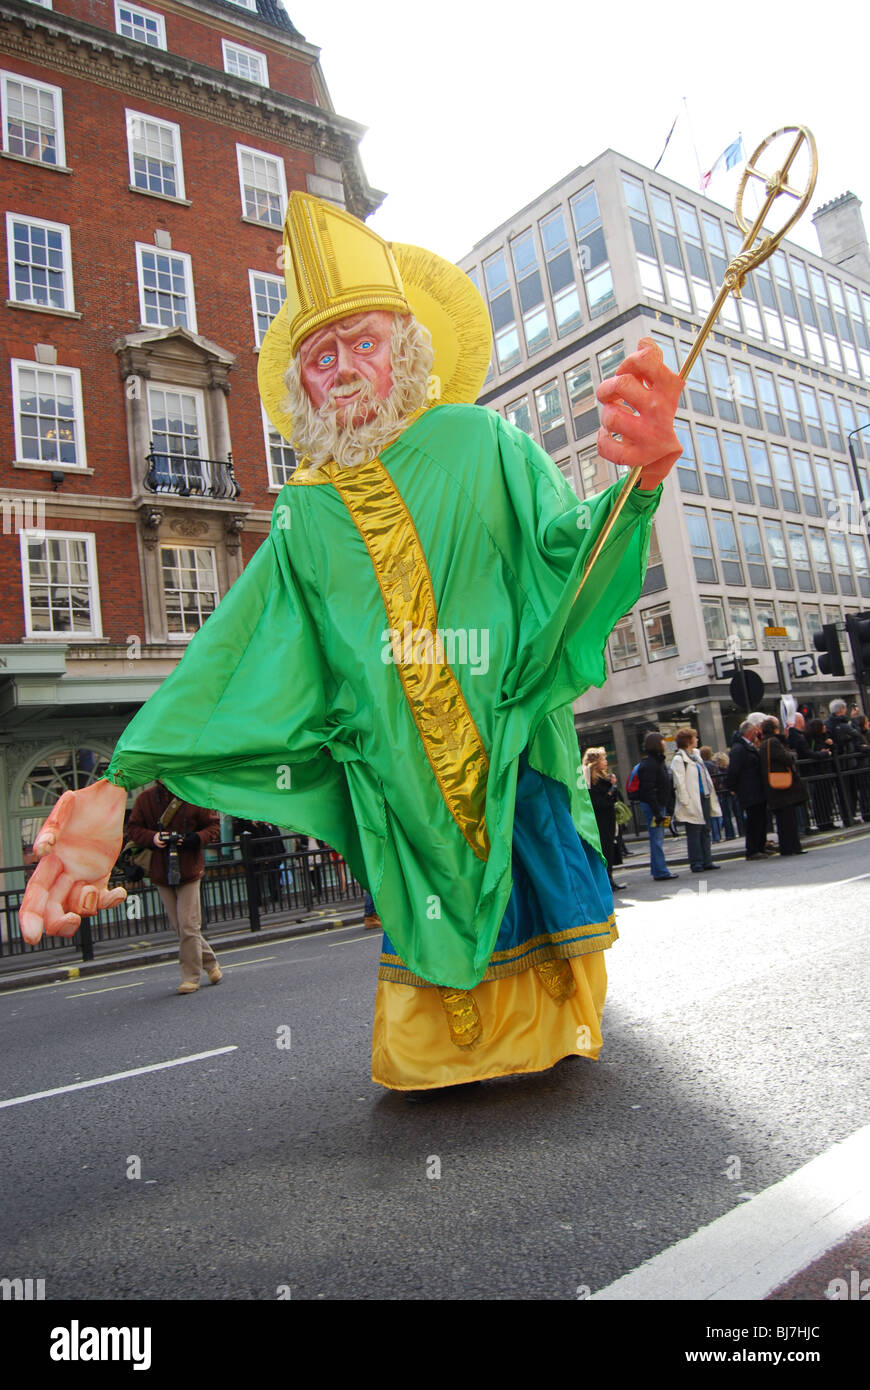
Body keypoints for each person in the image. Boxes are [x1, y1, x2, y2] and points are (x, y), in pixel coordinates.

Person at [18, 191, 684, 1092]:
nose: (341, 368)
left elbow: (565, 552)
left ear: (406, 349)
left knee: (523, 875)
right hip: (393, 779)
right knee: (425, 920)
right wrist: (123, 778)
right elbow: (233, 649)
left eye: (362, 343)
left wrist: (636, 486)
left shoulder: (477, 437)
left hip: (505, 748)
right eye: (320, 354)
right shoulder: (306, 510)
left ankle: (543, 1029)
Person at [127, 781, 221, 993]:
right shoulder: (145, 799)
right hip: (161, 871)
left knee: (188, 924)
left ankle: (190, 977)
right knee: (179, 926)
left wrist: (195, 839)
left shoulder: (194, 794)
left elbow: (213, 826)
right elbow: (133, 829)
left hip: (188, 869)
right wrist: (153, 837)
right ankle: (211, 964)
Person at [670, 729, 721, 873]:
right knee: (694, 832)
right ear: (688, 741)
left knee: (705, 830)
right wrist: (685, 801)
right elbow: (679, 783)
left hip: (703, 797)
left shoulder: (696, 755)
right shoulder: (679, 759)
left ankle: (707, 860)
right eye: (695, 737)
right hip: (691, 800)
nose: (697, 739)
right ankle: (696, 862)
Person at [758, 716, 807, 855]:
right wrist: (792, 754)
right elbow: (786, 757)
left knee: (783, 819)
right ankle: (792, 847)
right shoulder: (773, 742)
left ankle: (788, 847)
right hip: (782, 788)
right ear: (774, 729)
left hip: (773, 787)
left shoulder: (765, 743)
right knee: (788, 819)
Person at [726, 719, 771, 860]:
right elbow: (734, 770)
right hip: (749, 790)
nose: (757, 733)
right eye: (755, 731)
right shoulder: (739, 748)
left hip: (756, 788)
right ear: (750, 732)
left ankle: (760, 847)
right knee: (754, 820)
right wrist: (732, 787)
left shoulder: (748, 746)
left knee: (761, 819)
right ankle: (752, 850)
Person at [636, 730, 678, 881]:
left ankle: (658, 870)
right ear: (656, 744)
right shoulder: (650, 764)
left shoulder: (657, 761)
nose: (665, 743)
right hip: (655, 807)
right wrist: (658, 812)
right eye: (662, 741)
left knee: (658, 837)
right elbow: (648, 789)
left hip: (659, 806)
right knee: (657, 838)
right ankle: (661, 871)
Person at [582, 747, 625, 892]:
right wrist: (610, 792)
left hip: (609, 819)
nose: (606, 762)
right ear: (595, 762)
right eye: (603, 759)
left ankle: (610, 879)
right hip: (600, 821)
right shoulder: (589, 778)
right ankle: (606, 881)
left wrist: (612, 789)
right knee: (605, 850)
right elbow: (596, 802)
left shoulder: (603, 777)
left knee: (610, 849)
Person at [698, 744, 724, 841]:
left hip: (705, 792)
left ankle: (714, 837)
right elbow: (719, 778)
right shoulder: (712, 765)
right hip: (715, 791)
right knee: (717, 814)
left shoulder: (701, 764)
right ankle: (717, 836)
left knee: (709, 815)